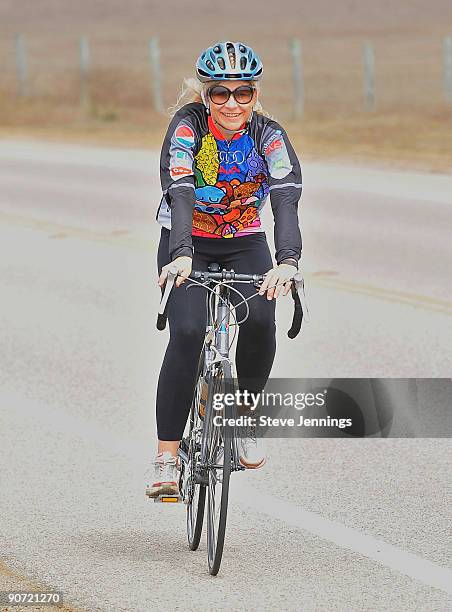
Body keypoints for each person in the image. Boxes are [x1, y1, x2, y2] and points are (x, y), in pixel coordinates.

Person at [146, 41, 302, 498]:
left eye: (243, 93)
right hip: (186, 242)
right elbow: (179, 187)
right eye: (220, 94)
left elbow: (287, 193)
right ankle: (166, 455)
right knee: (189, 332)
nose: (232, 103)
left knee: (261, 322)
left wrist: (287, 260)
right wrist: (180, 251)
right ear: (205, 95)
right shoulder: (188, 128)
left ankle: (245, 419)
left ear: (254, 95)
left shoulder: (268, 134)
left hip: (244, 241)